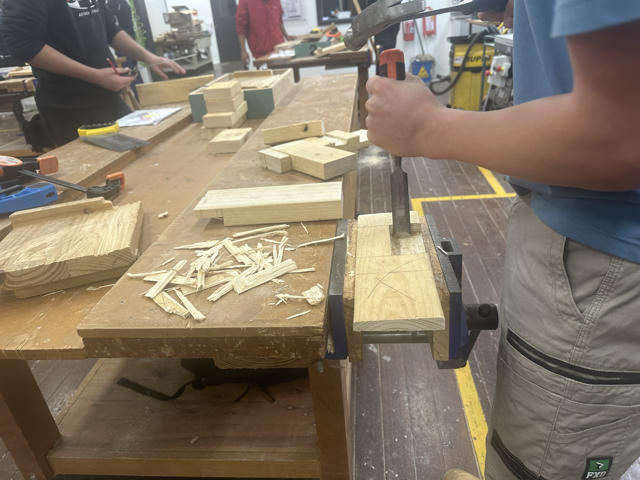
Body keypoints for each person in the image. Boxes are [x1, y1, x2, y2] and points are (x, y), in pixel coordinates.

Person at [365, 1, 640, 479]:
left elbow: (620, 138)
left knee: (540, 462)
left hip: (602, 260)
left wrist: (426, 127)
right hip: (581, 236)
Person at [1, 0, 185, 146]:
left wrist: (149, 57)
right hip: (69, 105)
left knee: (140, 157)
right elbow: (23, 45)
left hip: (106, 95)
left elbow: (110, 29)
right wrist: (95, 76)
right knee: (103, 178)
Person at [236, 0, 294, 68]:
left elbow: (279, 20)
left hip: (279, 48)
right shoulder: (245, 1)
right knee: (268, 76)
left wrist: (286, 36)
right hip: (261, 52)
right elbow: (240, 26)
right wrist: (243, 50)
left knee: (285, 75)